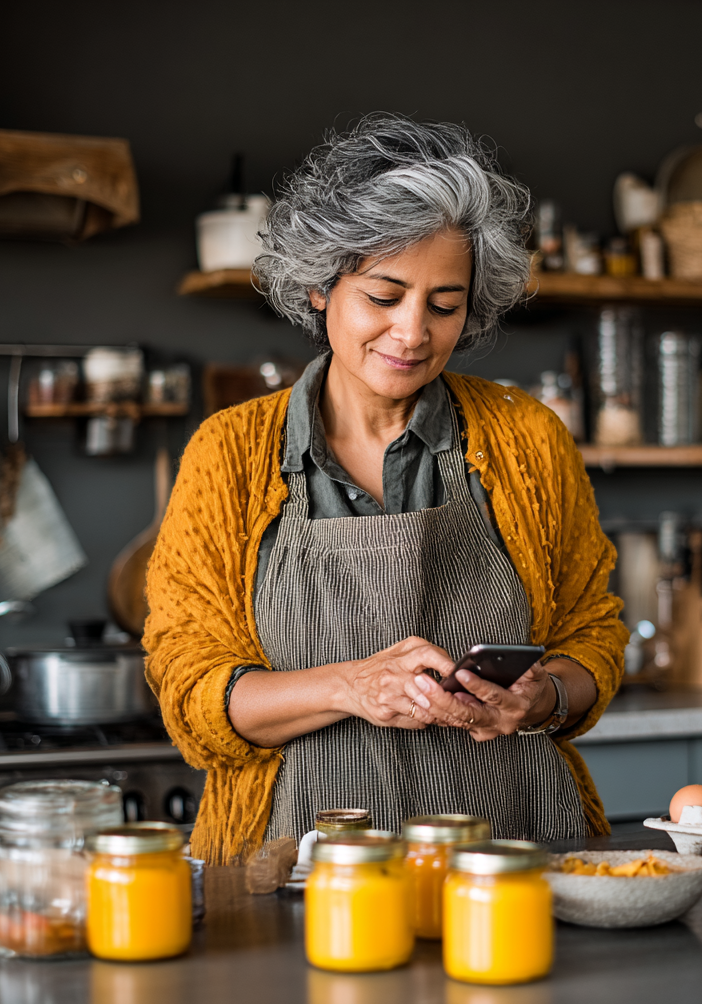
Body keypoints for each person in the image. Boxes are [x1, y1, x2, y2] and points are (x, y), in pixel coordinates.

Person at [144, 115, 628, 865]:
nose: (411, 333)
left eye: (443, 305)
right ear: (319, 286)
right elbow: (192, 694)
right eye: (383, 295)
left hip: (515, 861)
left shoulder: (526, 438)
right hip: (296, 884)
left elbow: (592, 636)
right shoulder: (230, 454)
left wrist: (542, 697)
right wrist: (351, 686)